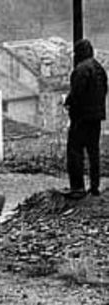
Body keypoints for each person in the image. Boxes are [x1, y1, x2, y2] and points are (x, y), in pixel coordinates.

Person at [64, 39, 108, 198]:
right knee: (93, 151)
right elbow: (104, 91)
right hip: (96, 117)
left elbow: (76, 95)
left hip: (81, 118)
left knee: (75, 151)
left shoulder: (81, 70)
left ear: (80, 53)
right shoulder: (99, 68)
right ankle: (94, 186)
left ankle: (77, 188)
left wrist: (69, 103)